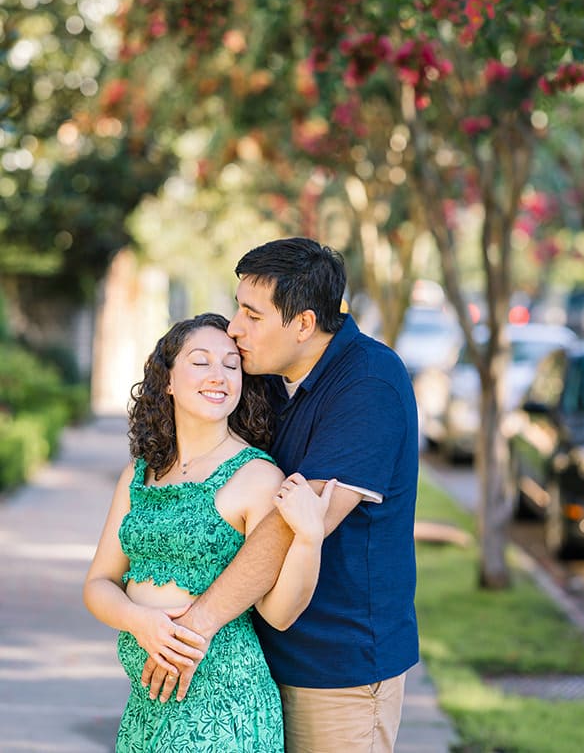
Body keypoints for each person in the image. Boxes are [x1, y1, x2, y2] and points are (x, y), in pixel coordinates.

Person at [138, 238, 421, 752]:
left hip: (335, 671)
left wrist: (193, 630)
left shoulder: (369, 384)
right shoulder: (271, 379)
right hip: (255, 666)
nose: (234, 328)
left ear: (304, 325)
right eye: (236, 307)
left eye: (252, 314)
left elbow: (292, 524)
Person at [84, 313, 335, 752]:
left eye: (231, 364)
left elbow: (279, 613)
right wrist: (139, 621)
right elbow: (98, 584)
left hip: (223, 707)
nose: (218, 375)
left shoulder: (258, 477)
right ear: (168, 380)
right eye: (201, 362)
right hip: (147, 706)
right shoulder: (139, 474)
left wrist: (309, 539)